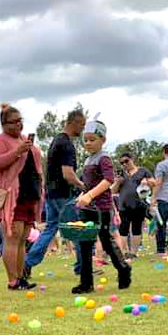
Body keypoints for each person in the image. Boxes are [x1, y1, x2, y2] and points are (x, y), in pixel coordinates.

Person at [24, 109, 86, 277]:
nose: (83, 129)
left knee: (50, 228)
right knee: (77, 229)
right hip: (63, 194)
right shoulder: (66, 144)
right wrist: (82, 186)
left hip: (51, 193)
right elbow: (68, 174)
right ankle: (82, 267)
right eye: (82, 125)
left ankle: (28, 263)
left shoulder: (56, 141)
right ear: (74, 122)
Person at [72, 117, 131, 292]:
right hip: (87, 207)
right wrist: (83, 194)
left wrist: (90, 195)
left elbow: (108, 180)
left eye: (92, 140)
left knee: (106, 240)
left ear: (102, 140)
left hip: (101, 208)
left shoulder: (104, 158)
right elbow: (88, 184)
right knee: (84, 243)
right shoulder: (88, 160)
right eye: (85, 140)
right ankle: (86, 282)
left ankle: (123, 268)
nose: (88, 143)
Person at [0, 104, 43, 290]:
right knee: (12, 237)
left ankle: (21, 277)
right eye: (15, 121)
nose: (19, 125)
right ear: (4, 124)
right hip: (13, 197)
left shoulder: (24, 140)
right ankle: (12, 280)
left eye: (21, 121)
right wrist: (18, 151)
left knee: (23, 239)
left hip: (29, 195)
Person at [116, 152, 153, 257]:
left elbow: (154, 183)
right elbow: (113, 190)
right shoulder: (121, 174)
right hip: (124, 205)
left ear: (132, 159)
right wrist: (118, 182)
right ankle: (125, 252)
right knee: (123, 229)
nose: (124, 164)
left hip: (138, 204)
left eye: (126, 161)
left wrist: (146, 181)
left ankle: (133, 252)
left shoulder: (143, 171)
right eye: (122, 162)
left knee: (136, 229)